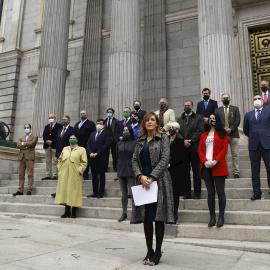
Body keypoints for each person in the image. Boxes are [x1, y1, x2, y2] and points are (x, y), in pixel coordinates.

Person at [131, 112, 174, 266]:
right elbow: (134, 160)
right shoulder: (140, 140)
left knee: (158, 217)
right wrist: (140, 176)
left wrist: (152, 177)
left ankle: (157, 251)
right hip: (143, 183)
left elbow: (165, 159)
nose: (149, 122)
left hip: (159, 182)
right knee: (146, 217)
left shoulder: (163, 138)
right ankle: (149, 250)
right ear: (144, 124)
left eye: (152, 120)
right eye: (147, 120)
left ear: (157, 123)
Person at [198, 113, 229, 228]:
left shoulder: (222, 134)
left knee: (220, 192)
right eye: (210, 119)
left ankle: (221, 217)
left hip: (218, 166)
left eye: (214, 119)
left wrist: (215, 161)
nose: (212, 120)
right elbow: (200, 150)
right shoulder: (204, 135)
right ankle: (212, 217)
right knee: (210, 193)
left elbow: (224, 149)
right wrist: (205, 161)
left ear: (218, 120)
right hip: (206, 167)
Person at [243, 95, 270, 200]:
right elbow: (245, 129)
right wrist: (254, 136)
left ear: (263, 101)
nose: (257, 100)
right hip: (254, 145)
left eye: (259, 99)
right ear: (252, 102)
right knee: (255, 170)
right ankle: (256, 192)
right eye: (255, 99)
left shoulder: (268, 112)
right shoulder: (248, 114)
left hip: (267, 143)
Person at [55, 134, 87, 218]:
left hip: (75, 174)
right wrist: (60, 168)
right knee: (65, 191)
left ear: (77, 140)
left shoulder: (81, 149)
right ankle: (67, 211)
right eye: (71, 138)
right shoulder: (65, 149)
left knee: (74, 192)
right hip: (64, 173)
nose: (72, 139)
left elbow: (84, 162)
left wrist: (79, 170)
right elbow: (60, 159)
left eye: (74, 138)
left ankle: (74, 211)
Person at [177, 100, 204, 199]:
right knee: (185, 171)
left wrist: (191, 141)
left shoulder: (198, 118)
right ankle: (186, 192)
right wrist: (183, 141)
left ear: (192, 107)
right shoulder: (180, 119)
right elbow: (177, 132)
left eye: (188, 105)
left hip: (195, 148)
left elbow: (200, 130)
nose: (186, 107)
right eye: (185, 105)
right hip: (184, 149)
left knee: (196, 171)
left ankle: (197, 193)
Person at [167, 122, 189, 223]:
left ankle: (174, 214)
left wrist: (171, 164)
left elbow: (181, 157)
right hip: (165, 171)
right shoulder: (165, 140)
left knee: (175, 195)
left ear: (177, 130)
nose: (171, 129)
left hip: (175, 170)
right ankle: (168, 214)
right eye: (170, 127)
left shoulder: (180, 141)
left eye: (173, 128)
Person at [215, 94, 241, 178]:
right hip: (222, 135)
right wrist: (223, 129)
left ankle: (236, 172)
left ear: (230, 99)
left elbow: (238, 120)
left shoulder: (235, 108)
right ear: (221, 100)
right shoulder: (217, 110)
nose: (225, 99)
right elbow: (216, 122)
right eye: (223, 98)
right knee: (223, 154)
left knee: (235, 154)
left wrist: (231, 129)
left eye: (227, 98)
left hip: (234, 134)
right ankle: (224, 171)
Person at [116, 125, 136, 222]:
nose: (125, 132)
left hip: (131, 170)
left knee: (133, 193)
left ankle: (135, 213)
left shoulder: (134, 143)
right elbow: (117, 156)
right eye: (124, 130)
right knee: (124, 193)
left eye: (127, 130)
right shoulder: (119, 143)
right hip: (121, 170)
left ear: (130, 132)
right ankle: (124, 213)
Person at [87, 119, 111, 198]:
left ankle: (101, 192)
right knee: (94, 176)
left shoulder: (107, 133)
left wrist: (97, 153)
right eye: (97, 123)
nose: (98, 125)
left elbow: (106, 145)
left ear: (104, 125)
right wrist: (90, 152)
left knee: (101, 175)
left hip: (101, 158)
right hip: (92, 158)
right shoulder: (92, 133)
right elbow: (88, 144)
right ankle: (95, 192)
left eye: (100, 123)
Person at [51, 115, 74, 198]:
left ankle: (66, 191)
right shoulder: (59, 130)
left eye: (64, 119)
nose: (63, 121)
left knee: (66, 175)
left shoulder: (72, 129)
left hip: (68, 155)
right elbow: (57, 144)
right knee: (60, 175)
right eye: (62, 119)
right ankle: (59, 191)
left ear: (68, 121)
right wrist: (56, 155)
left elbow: (72, 143)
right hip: (60, 155)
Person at [13, 124, 38, 196]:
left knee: (30, 174)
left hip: (29, 157)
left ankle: (29, 190)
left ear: (30, 128)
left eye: (27, 127)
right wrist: (26, 146)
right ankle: (20, 190)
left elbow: (32, 143)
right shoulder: (21, 137)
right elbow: (18, 145)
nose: (26, 129)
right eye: (25, 128)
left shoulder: (34, 137)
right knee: (21, 175)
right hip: (21, 157)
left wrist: (23, 144)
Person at [74, 110, 96, 180]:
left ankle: (85, 174)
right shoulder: (77, 123)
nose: (82, 115)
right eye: (81, 114)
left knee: (85, 159)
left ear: (87, 115)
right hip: (77, 145)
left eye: (83, 114)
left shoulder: (91, 123)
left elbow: (93, 134)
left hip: (86, 144)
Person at [42, 114, 62, 180]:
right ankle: (48, 174)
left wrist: (52, 141)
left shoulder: (59, 126)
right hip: (47, 146)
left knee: (55, 161)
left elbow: (58, 135)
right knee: (48, 161)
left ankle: (54, 174)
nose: (50, 118)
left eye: (52, 117)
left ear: (55, 118)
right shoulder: (46, 126)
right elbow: (44, 135)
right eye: (49, 117)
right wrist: (47, 141)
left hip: (54, 145)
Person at [105, 108, 119, 172]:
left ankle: (115, 168)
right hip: (106, 140)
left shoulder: (116, 121)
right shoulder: (105, 121)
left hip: (114, 140)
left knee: (114, 154)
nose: (109, 113)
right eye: (108, 112)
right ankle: (105, 167)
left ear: (113, 113)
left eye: (111, 112)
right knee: (105, 154)